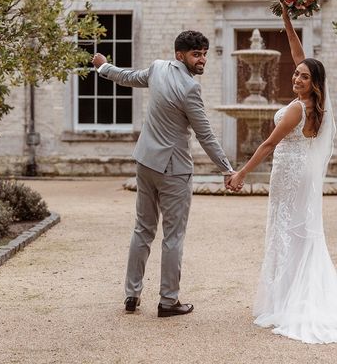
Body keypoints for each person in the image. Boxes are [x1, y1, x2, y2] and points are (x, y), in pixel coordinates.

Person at [228, 3, 337, 344]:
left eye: (303, 76)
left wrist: (241, 174)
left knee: (286, 232)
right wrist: (286, 21)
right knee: (298, 232)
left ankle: (288, 300)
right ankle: (290, 293)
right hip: (300, 172)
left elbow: (266, 144)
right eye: (296, 74)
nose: (296, 77)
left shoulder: (296, 109)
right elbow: (299, 53)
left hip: (290, 174)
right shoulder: (317, 105)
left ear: (313, 83)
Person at [91, 30, 235, 318]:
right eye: (197, 54)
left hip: (145, 162)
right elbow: (205, 135)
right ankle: (168, 301)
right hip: (173, 171)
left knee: (143, 230)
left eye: (205, 53)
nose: (202, 59)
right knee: (173, 236)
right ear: (180, 55)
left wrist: (103, 67)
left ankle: (131, 295)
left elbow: (128, 77)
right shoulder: (190, 89)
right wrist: (227, 169)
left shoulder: (157, 68)